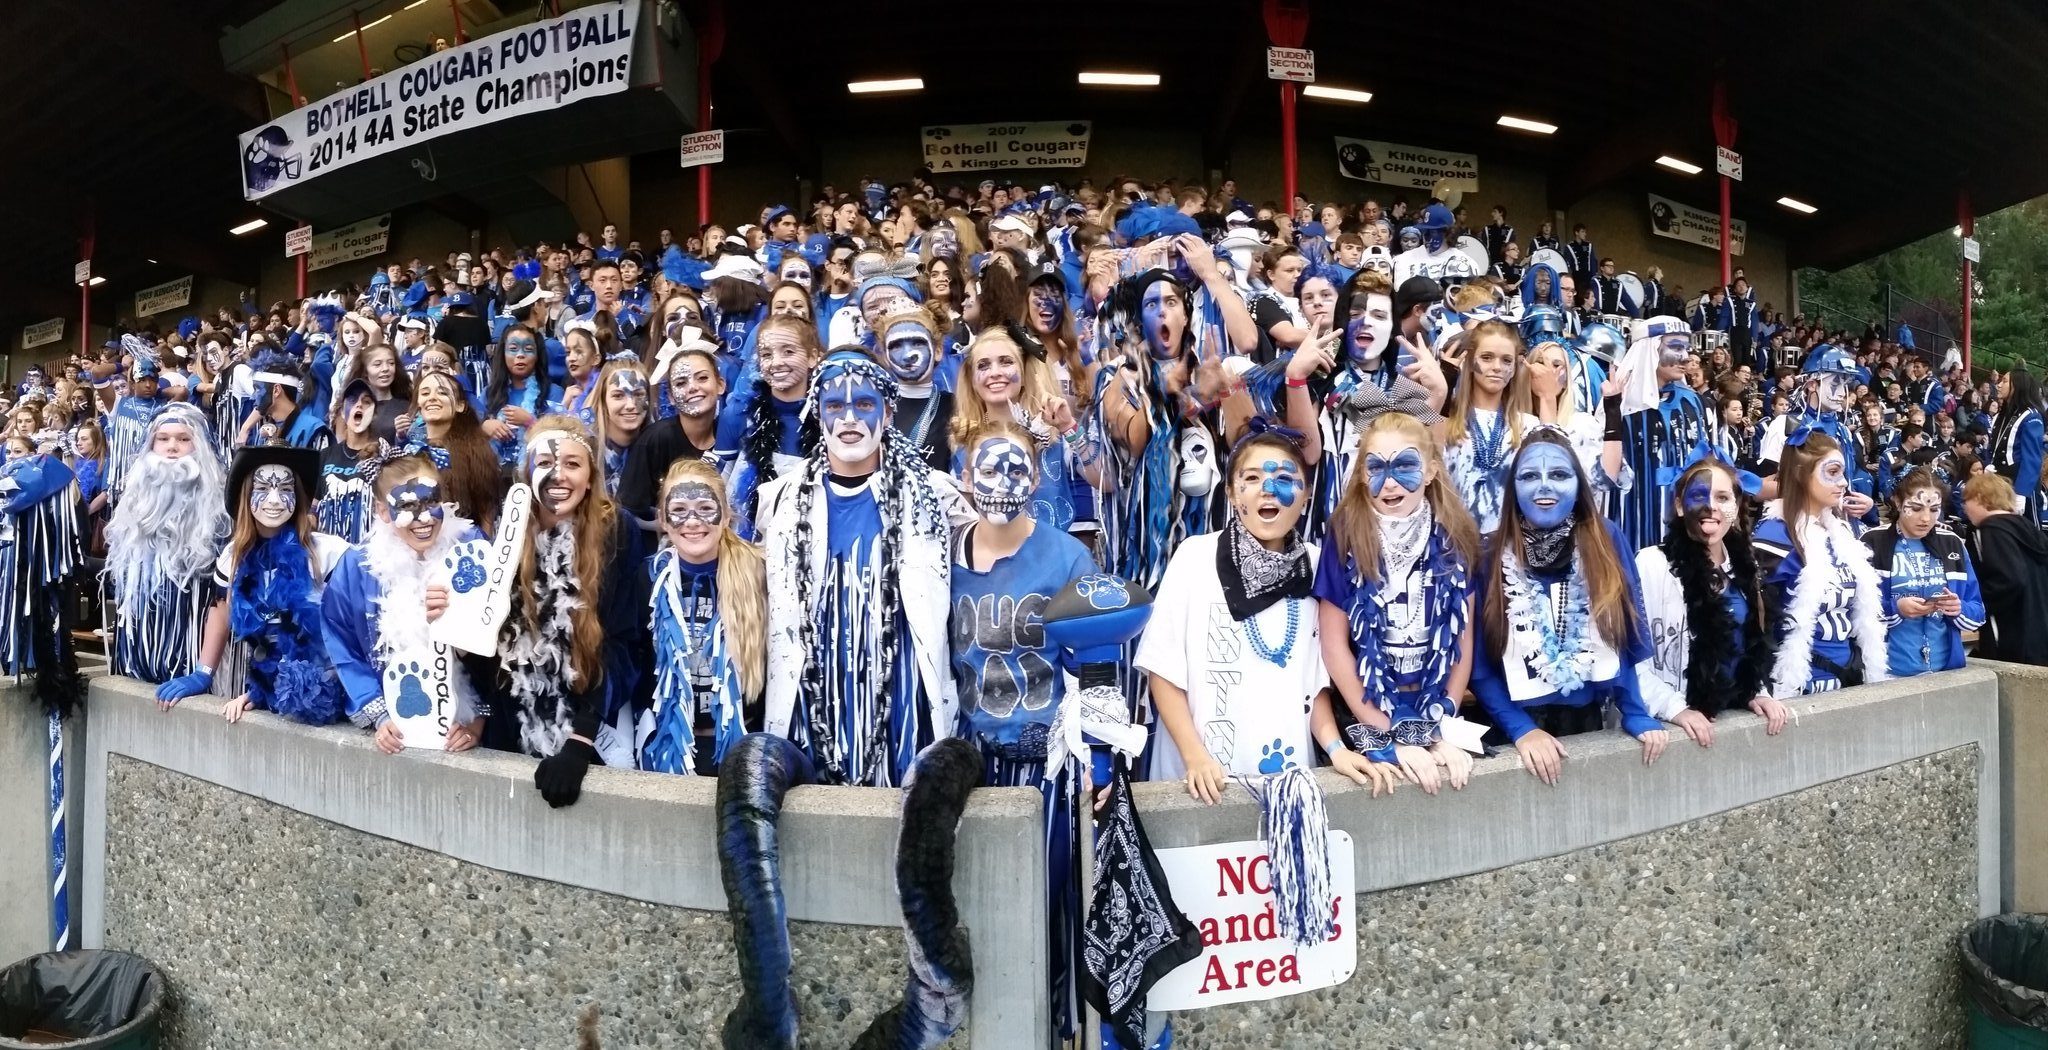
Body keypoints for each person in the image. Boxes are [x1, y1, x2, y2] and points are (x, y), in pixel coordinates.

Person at [758, 348, 969, 787]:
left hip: (900, 693)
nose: (849, 418)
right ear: (817, 413)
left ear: (888, 412)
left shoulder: (935, 494)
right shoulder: (778, 498)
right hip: (813, 688)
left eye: (865, 405)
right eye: (835, 406)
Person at [1471, 430, 1669, 783]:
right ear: (1512, 487)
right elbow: (1479, 664)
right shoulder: (1488, 553)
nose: (1544, 487)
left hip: (1586, 720)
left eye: (1559, 475)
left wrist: (1635, 712)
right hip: (1512, 728)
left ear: (1579, 485)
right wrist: (1522, 731)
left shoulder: (1605, 538)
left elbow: (1625, 634)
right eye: (1530, 476)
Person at [475, 416, 652, 806]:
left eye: (572, 463)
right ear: (527, 473)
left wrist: (579, 741)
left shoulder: (616, 532)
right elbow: (486, 638)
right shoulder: (508, 533)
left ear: (590, 477)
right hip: (513, 719)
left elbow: (623, 645)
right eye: (544, 463)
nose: (558, 475)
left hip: (590, 722)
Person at [1314, 411, 1481, 793]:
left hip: (1435, 703)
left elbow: (1463, 640)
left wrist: (1442, 725)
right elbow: (1334, 646)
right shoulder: (1345, 535)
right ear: (1361, 475)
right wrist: (1391, 734)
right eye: (1376, 468)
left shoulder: (1457, 535)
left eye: (1404, 466)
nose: (1389, 483)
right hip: (1365, 708)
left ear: (1431, 471)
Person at [321, 454, 487, 752]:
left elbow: (498, 647)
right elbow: (341, 644)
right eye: (408, 506)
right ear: (383, 512)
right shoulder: (356, 568)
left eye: (431, 502)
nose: (424, 518)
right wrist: (379, 714)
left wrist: (477, 719)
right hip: (396, 728)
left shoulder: (470, 550)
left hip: (459, 729)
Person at [1633, 457, 1790, 748]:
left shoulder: (1747, 568)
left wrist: (1757, 691)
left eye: (1722, 497)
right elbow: (1632, 655)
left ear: (1737, 506)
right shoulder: (1652, 564)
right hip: (1672, 729)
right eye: (1698, 496)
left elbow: (1748, 646)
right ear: (1680, 506)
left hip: (1730, 725)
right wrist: (1674, 708)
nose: (1711, 507)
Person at [640, 459, 766, 775]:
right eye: (679, 509)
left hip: (742, 747)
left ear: (726, 515)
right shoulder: (649, 577)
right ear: (663, 520)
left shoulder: (761, 573)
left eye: (705, 507)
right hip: (670, 746)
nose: (692, 521)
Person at [214, 445, 350, 725]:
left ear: (298, 497)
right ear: (245, 495)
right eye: (263, 488)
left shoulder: (328, 554)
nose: (274, 500)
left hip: (335, 697)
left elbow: (356, 629)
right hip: (272, 695)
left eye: (286, 489)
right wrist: (258, 690)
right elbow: (224, 615)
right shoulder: (232, 559)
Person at [105, 404, 232, 695]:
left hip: (192, 664)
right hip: (134, 663)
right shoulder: (132, 509)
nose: (172, 447)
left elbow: (222, 603)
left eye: (183, 439)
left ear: (198, 446)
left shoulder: (221, 517)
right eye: (163, 439)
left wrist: (203, 671)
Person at [1752, 431, 1890, 696]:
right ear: (1800, 474)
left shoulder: (1842, 534)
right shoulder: (1772, 537)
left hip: (1851, 681)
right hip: (1796, 687)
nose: (1843, 483)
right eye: (1833, 472)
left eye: (1843, 473)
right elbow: (1757, 626)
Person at [948, 328, 1090, 532]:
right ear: (972, 380)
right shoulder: (964, 446)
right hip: (994, 562)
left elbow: (1105, 481)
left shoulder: (1054, 434)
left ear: (1023, 371)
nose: (995, 372)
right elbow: (964, 524)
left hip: (1054, 559)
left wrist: (1069, 427)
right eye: (983, 365)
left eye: (1006, 361)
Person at [1865, 469, 1983, 677]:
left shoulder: (1952, 543)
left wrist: (1958, 608)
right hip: (1889, 674)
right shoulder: (1872, 541)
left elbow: (1978, 612)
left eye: (1934, 509)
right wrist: (1896, 608)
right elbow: (1855, 613)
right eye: (1916, 508)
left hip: (1945, 672)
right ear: (1897, 502)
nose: (1926, 518)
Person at [715, 316, 820, 539]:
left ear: (813, 357)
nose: (776, 362)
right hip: (748, 545)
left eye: (789, 352)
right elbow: (717, 485)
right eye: (766, 354)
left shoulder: (827, 417)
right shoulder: (738, 414)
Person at [1614, 317, 1712, 550]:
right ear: (1650, 349)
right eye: (1676, 347)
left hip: (1683, 521)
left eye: (1686, 349)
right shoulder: (1621, 403)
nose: (1686, 357)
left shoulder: (1693, 401)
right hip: (1634, 522)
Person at [617, 345, 723, 523]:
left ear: (720, 384)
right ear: (671, 397)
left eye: (702, 378)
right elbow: (628, 511)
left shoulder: (730, 434)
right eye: (681, 383)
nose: (693, 388)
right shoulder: (655, 439)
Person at [1441, 320, 1527, 534]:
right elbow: (1428, 463)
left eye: (1506, 360)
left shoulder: (1527, 426)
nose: (1497, 367)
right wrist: (1444, 385)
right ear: (1470, 362)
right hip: (1451, 546)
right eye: (1487, 357)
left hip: (1507, 550)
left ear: (1515, 368)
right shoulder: (1446, 420)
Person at [1961, 471, 2048, 664]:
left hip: (2010, 633)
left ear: (1980, 498)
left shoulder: (1991, 530)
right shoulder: (2028, 527)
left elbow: (2009, 578)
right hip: (2038, 631)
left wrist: (1977, 605)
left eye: (1966, 500)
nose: (1964, 508)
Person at [410, 368, 503, 536]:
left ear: (460, 405)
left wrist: (483, 550)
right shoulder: (410, 452)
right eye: (425, 393)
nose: (432, 398)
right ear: (418, 405)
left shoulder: (477, 451)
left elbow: (486, 512)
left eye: (443, 392)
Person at [877, 303, 956, 470]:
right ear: (884, 356)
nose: (908, 355)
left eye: (918, 343)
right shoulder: (875, 406)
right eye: (896, 345)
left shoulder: (957, 407)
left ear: (938, 351)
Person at [316, 379, 383, 543]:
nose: (359, 405)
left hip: (368, 550)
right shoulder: (324, 455)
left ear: (374, 415)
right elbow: (314, 504)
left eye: (366, 402)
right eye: (352, 400)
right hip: (329, 550)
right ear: (342, 412)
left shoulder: (384, 455)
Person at [482, 324, 552, 467]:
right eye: (513, 349)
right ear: (503, 354)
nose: (520, 355)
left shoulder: (553, 393)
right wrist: (484, 427)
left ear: (538, 355)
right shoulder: (488, 394)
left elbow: (563, 438)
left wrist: (530, 422)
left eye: (528, 349)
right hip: (493, 474)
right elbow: (468, 432)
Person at [1986, 368, 2044, 523]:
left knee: (2028, 533)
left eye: (2004, 381)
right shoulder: (2002, 414)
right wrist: (1989, 465)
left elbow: (2031, 459)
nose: (1998, 385)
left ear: (2018, 385)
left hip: (2019, 484)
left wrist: (2021, 493)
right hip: (1999, 481)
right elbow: (1995, 446)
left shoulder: (2031, 416)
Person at [588, 360, 651, 494]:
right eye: (618, 396)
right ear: (603, 401)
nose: (630, 405)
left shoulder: (658, 445)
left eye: (639, 394)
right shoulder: (585, 449)